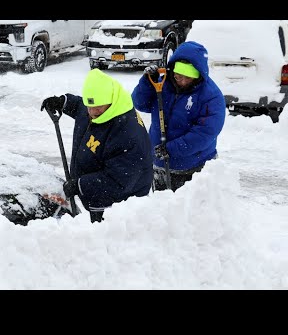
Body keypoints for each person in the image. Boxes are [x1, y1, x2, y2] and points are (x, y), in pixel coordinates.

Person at [41, 68, 153, 223]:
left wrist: (79, 185)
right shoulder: (101, 107)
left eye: (97, 108)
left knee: (104, 244)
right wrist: (63, 102)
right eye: (90, 106)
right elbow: (81, 107)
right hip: (98, 196)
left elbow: (117, 181)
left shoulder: (127, 133)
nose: (92, 112)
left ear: (111, 102)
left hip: (119, 207)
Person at [131, 41, 226, 192]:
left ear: (197, 75)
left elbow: (205, 133)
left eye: (186, 78)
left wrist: (171, 149)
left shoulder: (211, 96)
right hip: (159, 163)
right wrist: (147, 83)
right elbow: (140, 103)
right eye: (177, 76)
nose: (181, 81)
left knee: (190, 213)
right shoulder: (162, 82)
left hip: (194, 168)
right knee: (160, 211)